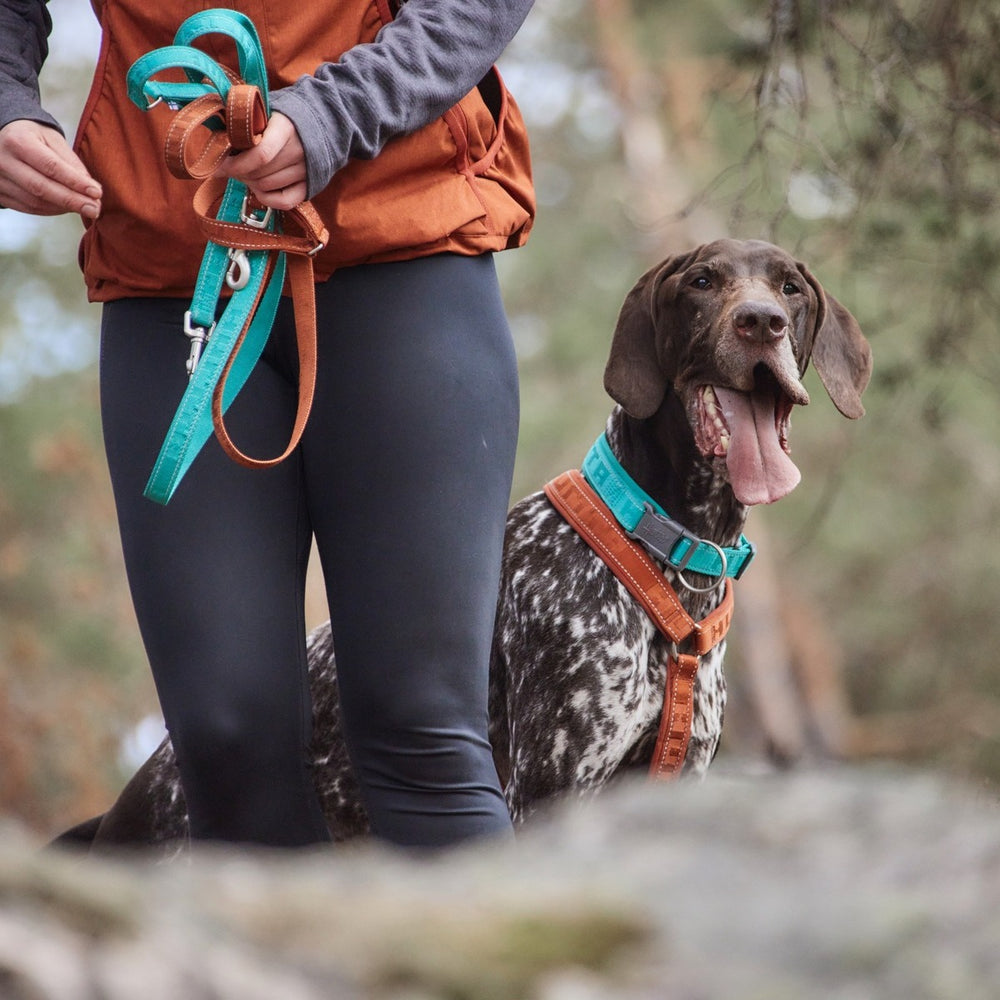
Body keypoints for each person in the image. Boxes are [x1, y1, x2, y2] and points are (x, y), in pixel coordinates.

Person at [0, 0, 535, 848]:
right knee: (223, 739)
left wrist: (329, 115)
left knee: (422, 727)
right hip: (170, 270)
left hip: (402, 245)